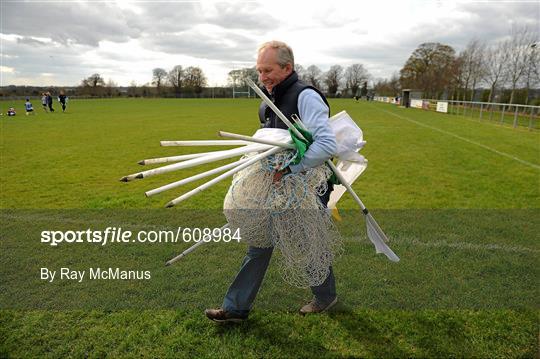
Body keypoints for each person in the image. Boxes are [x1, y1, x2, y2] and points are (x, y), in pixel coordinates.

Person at [205, 41, 338, 323]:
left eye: (268, 70)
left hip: (305, 187)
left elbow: (326, 145)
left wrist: (291, 169)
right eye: (259, 71)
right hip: (273, 187)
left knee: (306, 243)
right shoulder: (267, 102)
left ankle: (325, 297)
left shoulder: (306, 96)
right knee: (259, 243)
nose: (262, 77)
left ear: (287, 68)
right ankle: (235, 308)